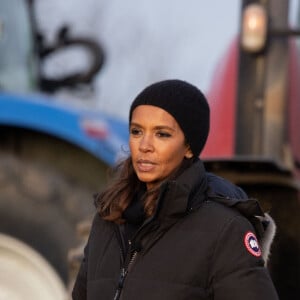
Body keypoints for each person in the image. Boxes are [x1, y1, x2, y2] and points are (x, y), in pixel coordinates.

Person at [72, 79, 279, 300]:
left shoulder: (225, 228)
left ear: (189, 147)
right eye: (136, 131)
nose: (144, 146)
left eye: (162, 134)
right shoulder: (108, 218)